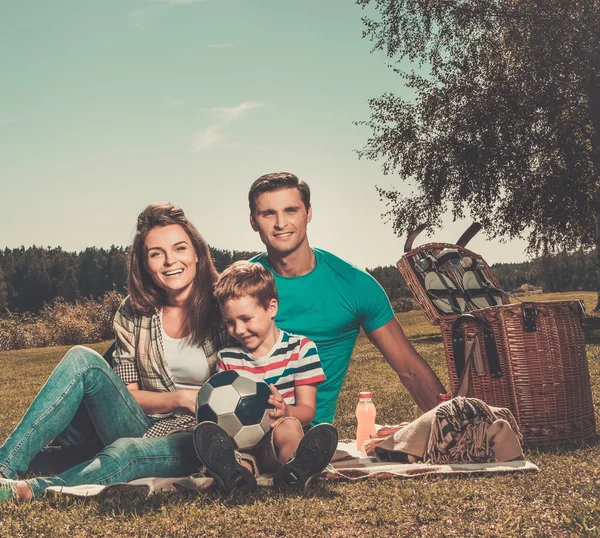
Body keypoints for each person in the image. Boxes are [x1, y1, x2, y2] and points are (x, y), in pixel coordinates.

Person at [0, 203, 225, 502]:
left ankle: (29, 491)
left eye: (180, 248)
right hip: (139, 422)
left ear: (197, 252)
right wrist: (179, 398)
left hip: (195, 437)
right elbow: (129, 393)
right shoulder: (134, 312)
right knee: (83, 357)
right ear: (145, 264)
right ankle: (4, 468)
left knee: (127, 451)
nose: (171, 261)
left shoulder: (225, 304)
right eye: (156, 253)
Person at [247, 172, 447, 425]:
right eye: (268, 214)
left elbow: (410, 370)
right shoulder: (239, 286)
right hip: (243, 430)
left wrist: (453, 426)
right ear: (253, 221)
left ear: (308, 213)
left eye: (290, 210)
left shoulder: (355, 285)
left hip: (311, 436)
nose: (280, 223)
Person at [193, 261, 338, 493]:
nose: (238, 330)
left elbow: (308, 410)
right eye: (230, 322)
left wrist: (287, 411)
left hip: (277, 438)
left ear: (271, 308)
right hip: (242, 445)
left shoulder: (300, 349)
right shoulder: (228, 358)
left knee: (288, 429)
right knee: (231, 453)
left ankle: (297, 468)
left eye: (246, 319)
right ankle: (236, 476)